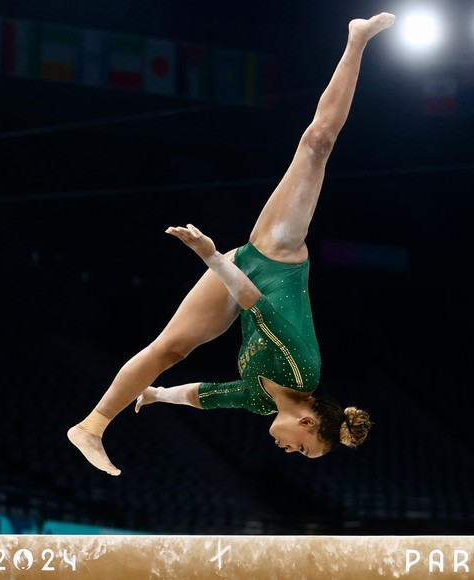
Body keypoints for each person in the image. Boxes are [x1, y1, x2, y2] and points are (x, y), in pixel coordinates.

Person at [68, 12, 394, 476]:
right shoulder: (302, 371)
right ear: (306, 420)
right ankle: (357, 39)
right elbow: (254, 301)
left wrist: (158, 394)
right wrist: (210, 255)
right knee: (317, 142)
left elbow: (206, 396)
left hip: (239, 274)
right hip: (273, 257)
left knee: (168, 352)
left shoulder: (263, 401)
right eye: (302, 448)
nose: (290, 452)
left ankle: (91, 425)